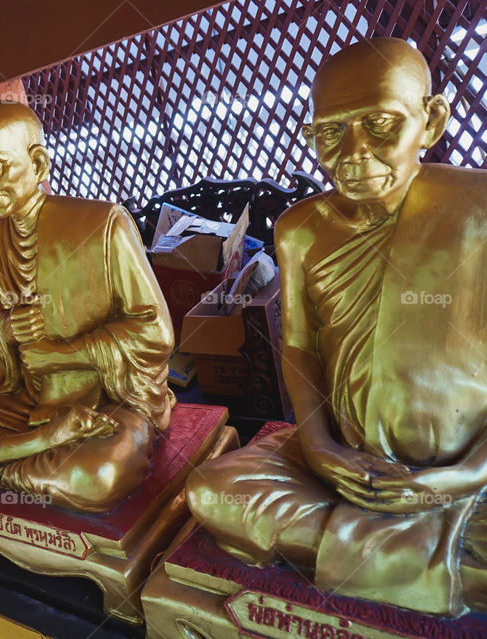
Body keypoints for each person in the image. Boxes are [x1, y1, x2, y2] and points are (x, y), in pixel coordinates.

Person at [187, 37, 487, 616]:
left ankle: (366, 546)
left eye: (379, 125)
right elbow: (299, 344)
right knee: (212, 489)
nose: (352, 152)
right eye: (329, 132)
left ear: (431, 121)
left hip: (468, 476)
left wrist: (461, 476)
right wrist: (321, 448)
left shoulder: (477, 209)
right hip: (343, 462)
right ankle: (425, 558)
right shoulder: (301, 228)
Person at [0, 101, 175, 513]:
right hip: (31, 399)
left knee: (97, 476)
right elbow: (1, 324)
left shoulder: (103, 223)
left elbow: (155, 330)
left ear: (37, 162)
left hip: (104, 402)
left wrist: (63, 353)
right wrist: (7, 328)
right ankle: (36, 448)